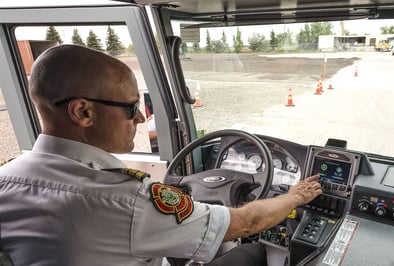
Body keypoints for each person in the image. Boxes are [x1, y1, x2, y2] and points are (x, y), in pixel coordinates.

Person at [0, 44, 322, 266]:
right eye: (131, 108)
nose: (140, 119)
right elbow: (247, 221)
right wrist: (295, 197)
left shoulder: (6, 179)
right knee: (251, 253)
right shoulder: (126, 201)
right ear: (83, 111)